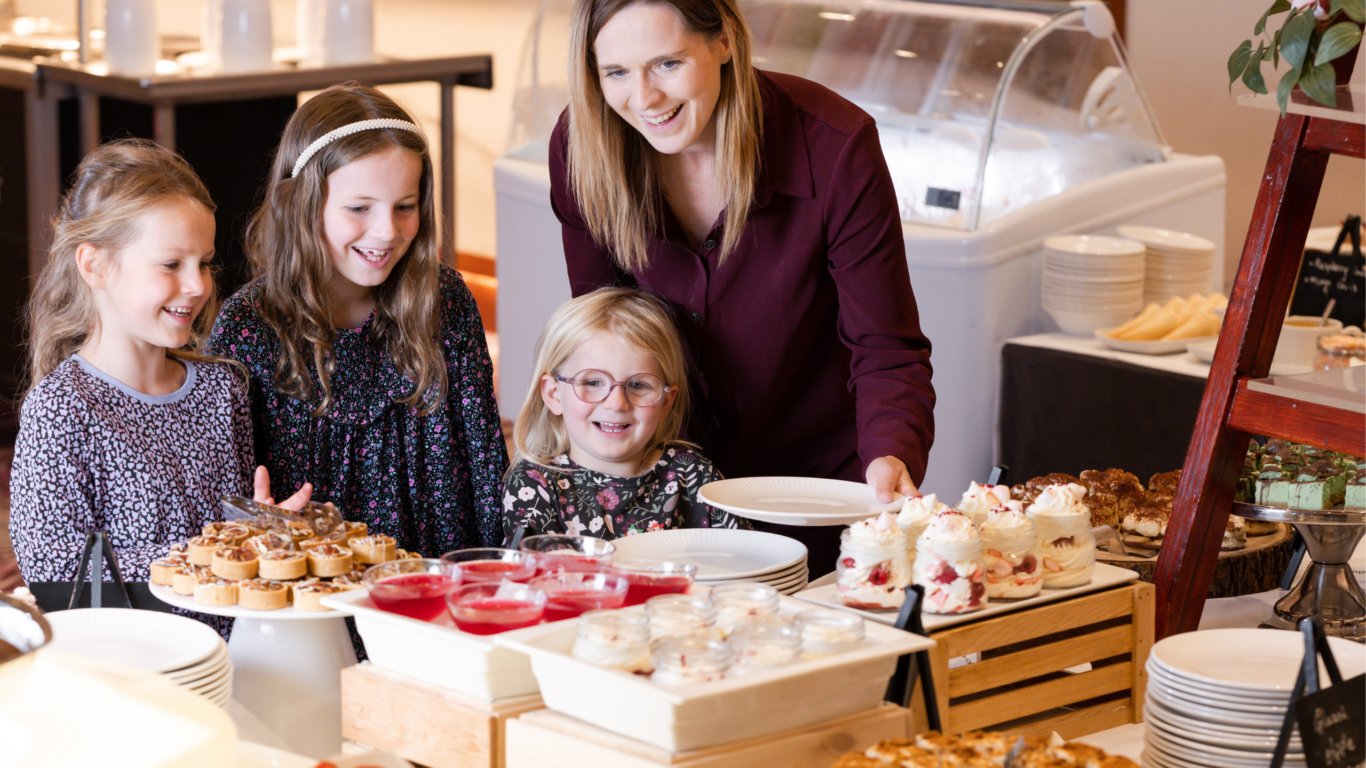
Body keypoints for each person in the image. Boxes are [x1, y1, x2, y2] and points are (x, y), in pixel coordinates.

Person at [551, 0, 936, 567]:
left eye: (667, 64)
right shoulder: (581, 148)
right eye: (616, 72)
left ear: (725, 40)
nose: (645, 98)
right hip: (660, 497)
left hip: (813, 494)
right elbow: (602, 335)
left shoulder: (835, 146)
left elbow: (886, 348)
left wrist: (891, 453)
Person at [209, 83, 507, 558]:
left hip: (430, 585)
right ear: (301, 204)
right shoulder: (248, 326)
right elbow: (227, 494)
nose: (387, 231)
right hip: (309, 598)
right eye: (359, 208)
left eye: (405, 207)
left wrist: (495, 575)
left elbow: (485, 460)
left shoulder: (444, 300)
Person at [9, 139, 309, 605]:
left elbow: (235, 533)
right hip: (135, 664)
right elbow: (54, 572)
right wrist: (211, 554)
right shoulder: (61, 407)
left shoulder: (222, 388)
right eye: (171, 264)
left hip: (235, 652)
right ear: (95, 265)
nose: (197, 286)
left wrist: (262, 533)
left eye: (204, 263)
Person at [504, 287, 746, 540]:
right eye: (593, 383)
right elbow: (539, 575)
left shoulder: (692, 472)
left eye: (638, 385)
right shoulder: (533, 484)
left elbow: (746, 559)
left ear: (665, 402)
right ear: (554, 395)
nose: (617, 404)